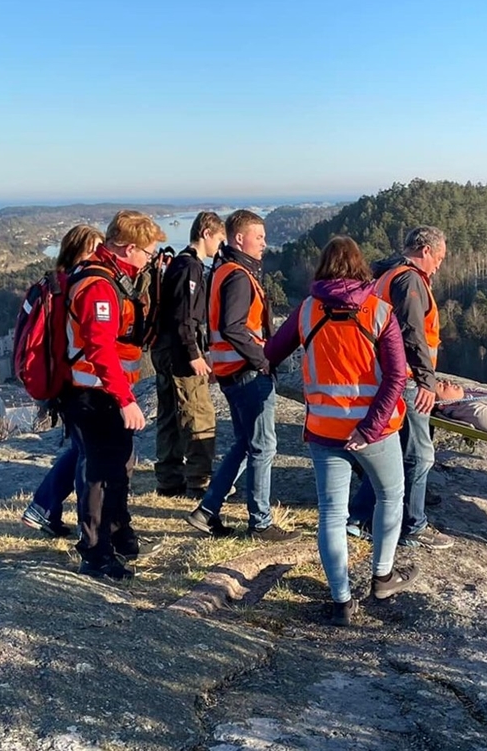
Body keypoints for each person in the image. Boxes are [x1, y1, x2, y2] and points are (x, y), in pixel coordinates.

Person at [265, 236, 419, 626]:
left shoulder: (305, 312)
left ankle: (341, 601)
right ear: (360, 267)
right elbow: (397, 377)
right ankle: (382, 578)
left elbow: (271, 353)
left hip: (324, 430)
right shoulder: (379, 312)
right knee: (391, 496)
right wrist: (369, 428)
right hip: (375, 430)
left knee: (332, 515)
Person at [62, 210, 168, 580]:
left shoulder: (110, 277)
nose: (150, 258)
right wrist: (125, 399)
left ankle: (118, 536)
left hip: (102, 391)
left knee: (118, 466)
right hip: (94, 393)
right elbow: (100, 348)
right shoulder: (99, 287)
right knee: (101, 473)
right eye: (146, 251)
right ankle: (96, 554)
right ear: (126, 248)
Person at [186, 209, 299, 541]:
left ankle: (207, 511)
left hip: (231, 372)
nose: (265, 243)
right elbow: (233, 327)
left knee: (245, 444)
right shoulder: (238, 275)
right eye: (259, 236)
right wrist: (262, 359)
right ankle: (260, 523)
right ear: (239, 238)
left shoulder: (224, 270)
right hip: (246, 372)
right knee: (262, 446)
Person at [348, 226, 452, 549]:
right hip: (406, 378)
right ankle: (414, 526)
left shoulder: (386, 275)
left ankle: (357, 518)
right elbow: (412, 334)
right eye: (439, 257)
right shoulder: (409, 281)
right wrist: (426, 381)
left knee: (397, 451)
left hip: (386, 376)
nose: (438, 265)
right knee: (419, 454)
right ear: (425, 251)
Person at [21, 224, 104, 538]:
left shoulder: (53, 284)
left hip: (59, 378)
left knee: (80, 449)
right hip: (73, 380)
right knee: (87, 455)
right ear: (83, 251)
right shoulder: (75, 286)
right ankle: (85, 528)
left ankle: (44, 508)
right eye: (97, 249)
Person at [150, 211, 224, 499]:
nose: (219, 247)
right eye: (219, 239)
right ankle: (199, 482)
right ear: (206, 233)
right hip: (181, 354)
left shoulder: (177, 264)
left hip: (165, 350)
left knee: (168, 416)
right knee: (198, 415)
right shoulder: (191, 267)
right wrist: (195, 353)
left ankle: (169, 479)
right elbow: (185, 317)